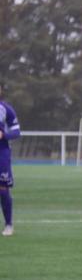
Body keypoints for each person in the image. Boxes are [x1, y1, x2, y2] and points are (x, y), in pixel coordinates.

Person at [0, 85, 21, 237]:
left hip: (2, 153)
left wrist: (4, 135)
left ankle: (8, 225)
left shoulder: (6, 110)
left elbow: (16, 131)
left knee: (3, 189)